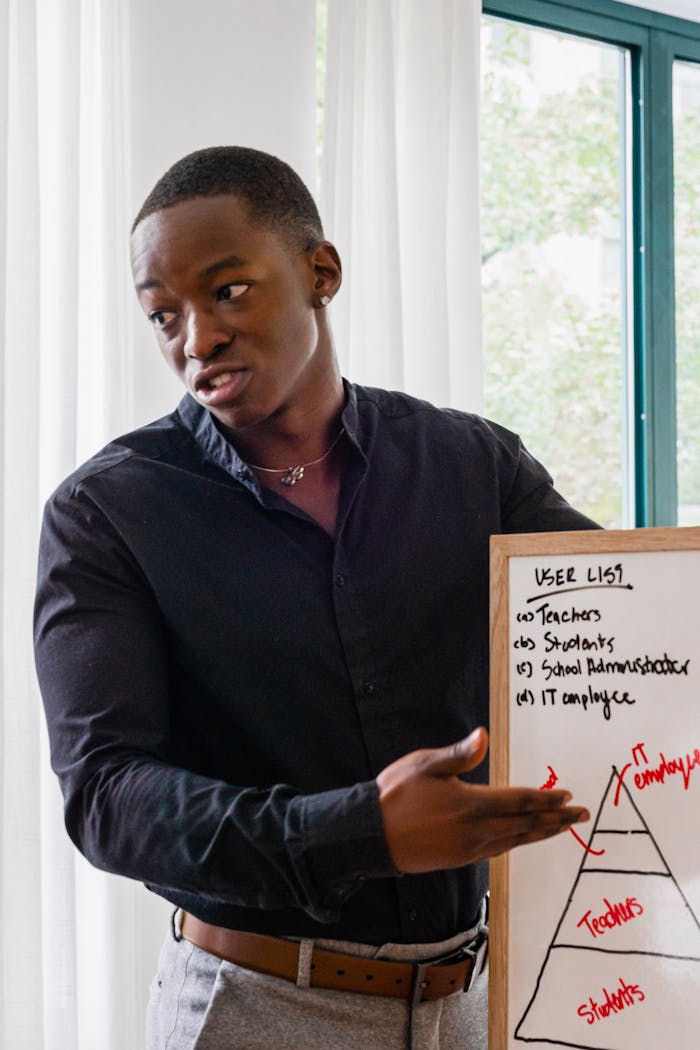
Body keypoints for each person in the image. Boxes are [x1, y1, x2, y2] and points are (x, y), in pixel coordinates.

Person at [34, 146, 596, 1050]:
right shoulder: (107, 512)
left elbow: (628, 617)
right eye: (163, 314)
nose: (196, 340)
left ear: (320, 273)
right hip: (255, 1009)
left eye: (228, 291)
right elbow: (105, 795)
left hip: (474, 1001)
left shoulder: (476, 465)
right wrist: (359, 832)